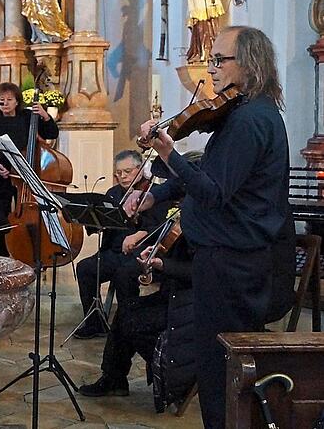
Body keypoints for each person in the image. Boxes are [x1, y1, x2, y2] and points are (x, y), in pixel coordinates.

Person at [124, 26, 291, 429]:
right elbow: (207, 170)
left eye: (219, 59)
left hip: (233, 264)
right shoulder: (244, 113)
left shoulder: (250, 120)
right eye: (212, 59)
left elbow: (213, 192)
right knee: (217, 366)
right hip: (227, 260)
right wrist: (158, 195)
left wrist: (167, 153)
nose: (211, 69)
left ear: (249, 63)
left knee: (219, 370)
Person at [78, 235, 195, 410]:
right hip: (173, 298)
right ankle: (114, 378)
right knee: (126, 310)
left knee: (133, 322)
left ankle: (175, 375)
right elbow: (171, 266)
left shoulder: (207, 233)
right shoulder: (191, 226)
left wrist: (163, 265)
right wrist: (151, 266)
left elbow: (200, 272)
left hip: (192, 307)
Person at [73, 150, 172, 340]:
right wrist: (92, 220)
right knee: (85, 268)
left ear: (140, 169)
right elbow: (103, 224)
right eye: (118, 173)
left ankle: (128, 325)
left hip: (141, 253)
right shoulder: (113, 193)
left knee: (123, 274)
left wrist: (137, 235)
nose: (122, 176)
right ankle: (95, 323)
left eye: (127, 171)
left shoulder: (153, 193)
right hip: (114, 252)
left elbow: (159, 227)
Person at [0, 82, 59, 219]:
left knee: (27, 211)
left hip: (26, 172)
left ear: (17, 102)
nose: (5, 103)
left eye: (9, 100)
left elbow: (52, 133)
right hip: (1, 175)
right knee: (1, 211)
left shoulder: (27, 117)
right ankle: (2, 240)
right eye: (1, 100)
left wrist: (45, 116)